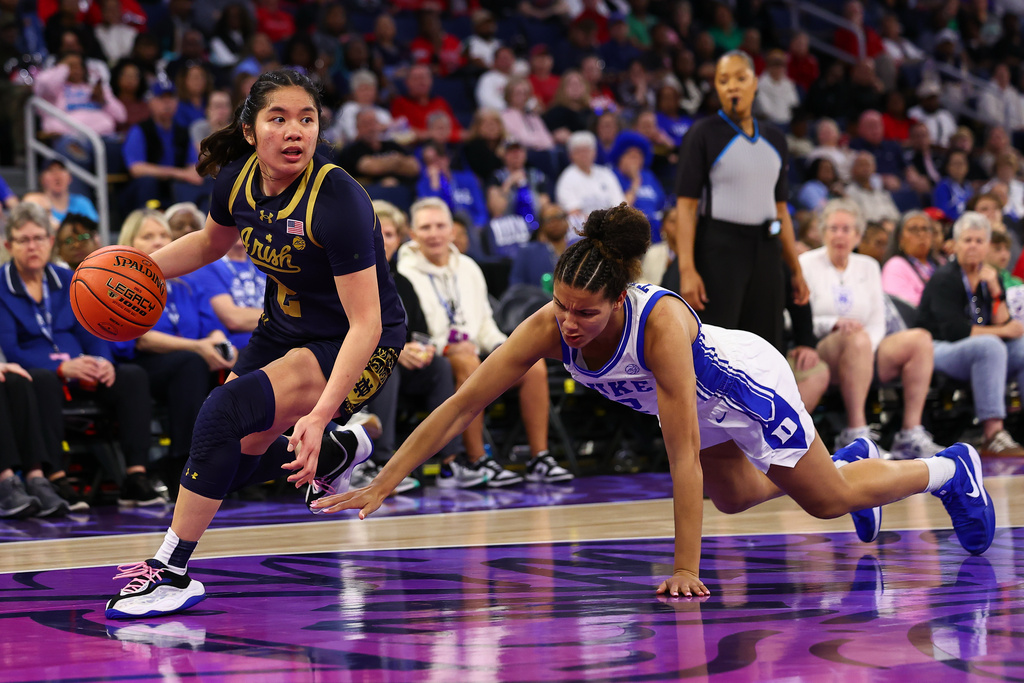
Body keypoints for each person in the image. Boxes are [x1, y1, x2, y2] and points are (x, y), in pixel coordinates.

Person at [313, 203, 997, 599]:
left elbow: (682, 455)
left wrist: (686, 568)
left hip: (743, 389)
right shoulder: (548, 325)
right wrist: (385, 481)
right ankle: (849, 462)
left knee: (823, 499)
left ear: (619, 300)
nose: (570, 323)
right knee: (736, 496)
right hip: (701, 406)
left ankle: (949, 470)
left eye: (585, 311)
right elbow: (458, 405)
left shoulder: (660, 327)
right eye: (562, 306)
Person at [104, 69, 407, 619]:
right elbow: (209, 243)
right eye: (279, 118)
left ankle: (170, 571)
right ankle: (342, 452)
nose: (295, 131)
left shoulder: (338, 198)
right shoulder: (238, 180)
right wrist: (130, 269)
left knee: (220, 413)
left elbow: (364, 324)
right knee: (233, 458)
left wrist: (320, 413)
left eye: (307, 119)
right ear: (250, 131)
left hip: (357, 342)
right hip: (281, 330)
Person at [397, 197, 570, 488]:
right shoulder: (404, 273)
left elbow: (486, 323)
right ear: (413, 234)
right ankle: (477, 460)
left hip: (476, 351)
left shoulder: (469, 268)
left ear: (453, 231)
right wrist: (447, 347)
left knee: (533, 365)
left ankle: (540, 457)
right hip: (438, 356)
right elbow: (415, 332)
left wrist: (504, 345)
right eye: (426, 227)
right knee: (467, 360)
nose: (435, 233)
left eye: (441, 226)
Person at [0, 202, 158, 507]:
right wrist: (62, 368)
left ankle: (136, 476)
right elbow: (11, 350)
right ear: (9, 245)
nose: (33, 246)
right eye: (24, 240)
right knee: (43, 380)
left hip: (83, 370)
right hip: (42, 373)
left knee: (132, 376)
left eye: (39, 238)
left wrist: (102, 361)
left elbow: (93, 328)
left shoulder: (71, 279)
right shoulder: (2, 287)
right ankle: (56, 477)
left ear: (50, 241)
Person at [674, 51, 808, 354]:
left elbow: (781, 210)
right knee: (718, 346)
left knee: (766, 345)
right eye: (723, 81)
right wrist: (687, 270)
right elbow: (686, 206)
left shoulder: (776, 138)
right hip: (719, 247)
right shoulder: (703, 134)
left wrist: (796, 268)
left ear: (755, 83)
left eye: (740, 78)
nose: (732, 86)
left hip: (767, 247)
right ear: (717, 88)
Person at [800, 199, 944, 458]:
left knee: (920, 339)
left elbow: (877, 319)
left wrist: (868, 348)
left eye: (846, 229)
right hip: (824, 347)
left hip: (866, 349)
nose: (840, 235)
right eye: (833, 228)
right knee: (856, 339)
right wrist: (832, 324)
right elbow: (798, 317)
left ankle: (910, 433)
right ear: (823, 232)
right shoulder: (806, 263)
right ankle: (856, 433)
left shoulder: (868, 265)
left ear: (857, 235)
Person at [112, 209, 234, 491]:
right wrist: (199, 347)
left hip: (186, 364)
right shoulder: (125, 284)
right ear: (131, 244)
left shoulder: (186, 285)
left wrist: (221, 346)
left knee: (213, 365)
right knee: (190, 363)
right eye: (148, 236)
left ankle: (236, 463)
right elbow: (141, 338)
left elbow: (213, 326)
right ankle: (186, 459)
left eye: (163, 235)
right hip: (143, 364)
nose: (158, 241)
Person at [917, 211, 1024, 457]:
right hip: (935, 348)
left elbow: (1004, 323)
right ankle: (993, 433)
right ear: (955, 245)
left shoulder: (990, 276)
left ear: (987, 246)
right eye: (967, 240)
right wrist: (1003, 330)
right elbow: (954, 331)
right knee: (991, 345)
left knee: (1021, 347)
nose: (973, 246)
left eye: (979, 241)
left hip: (979, 350)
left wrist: (996, 291)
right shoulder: (945, 278)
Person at [881, 211, 942, 307]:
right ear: (900, 239)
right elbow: (901, 307)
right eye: (913, 229)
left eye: (925, 229)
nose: (921, 234)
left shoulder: (941, 262)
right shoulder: (895, 265)